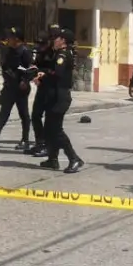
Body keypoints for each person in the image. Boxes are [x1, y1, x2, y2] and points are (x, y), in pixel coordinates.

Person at [36, 28, 85, 174]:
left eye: (56, 38)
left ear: (63, 41)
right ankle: (53, 159)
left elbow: (57, 73)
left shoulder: (63, 54)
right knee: (49, 129)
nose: (54, 40)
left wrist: (43, 74)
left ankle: (74, 158)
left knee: (56, 130)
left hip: (60, 97)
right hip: (53, 95)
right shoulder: (58, 53)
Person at [0, 26, 36, 149]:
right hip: (10, 87)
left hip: (21, 88)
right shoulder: (10, 50)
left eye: (10, 37)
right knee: (3, 113)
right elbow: (5, 63)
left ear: (17, 39)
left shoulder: (25, 51)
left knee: (24, 114)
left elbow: (32, 70)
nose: (8, 39)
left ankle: (25, 140)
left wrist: (25, 81)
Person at [25, 25, 61, 157]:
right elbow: (36, 67)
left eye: (41, 44)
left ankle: (48, 146)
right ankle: (39, 143)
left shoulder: (54, 54)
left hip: (51, 90)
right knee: (35, 115)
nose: (39, 46)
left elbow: (55, 72)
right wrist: (32, 72)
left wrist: (42, 72)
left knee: (49, 120)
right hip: (41, 88)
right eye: (37, 44)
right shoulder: (40, 53)